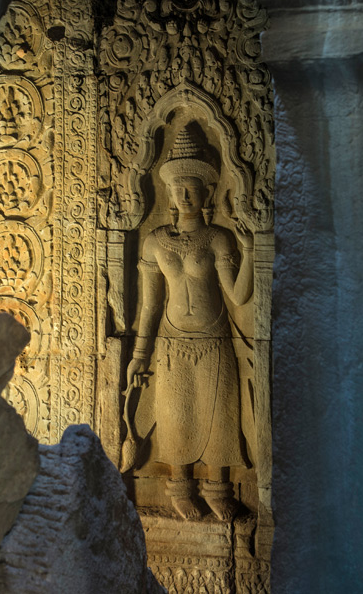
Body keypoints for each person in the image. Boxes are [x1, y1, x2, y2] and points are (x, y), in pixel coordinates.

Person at [127, 126, 254, 521]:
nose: (184, 195)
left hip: (213, 336)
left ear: (207, 193)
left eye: (192, 188)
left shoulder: (217, 239)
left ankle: (218, 487)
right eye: (178, 188)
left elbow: (237, 295)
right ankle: (180, 486)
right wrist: (139, 354)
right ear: (168, 193)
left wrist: (250, 249)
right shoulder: (154, 242)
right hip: (170, 340)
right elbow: (148, 307)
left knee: (219, 415)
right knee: (176, 413)